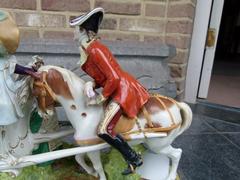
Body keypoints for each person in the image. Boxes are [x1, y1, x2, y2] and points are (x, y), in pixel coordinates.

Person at [70, 7, 150, 175]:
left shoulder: (95, 50)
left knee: (103, 130)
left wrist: (102, 97)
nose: (73, 34)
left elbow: (113, 77)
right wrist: (92, 83)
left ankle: (134, 158)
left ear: (83, 30)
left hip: (121, 90)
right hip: (114, 88)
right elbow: (103, 77)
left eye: (76, 30)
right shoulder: (89, 49)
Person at [0, 10, 39, 125]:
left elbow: (15, 68)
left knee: (8, 104)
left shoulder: (7, 60)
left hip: (5, 89)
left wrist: (30, 71)